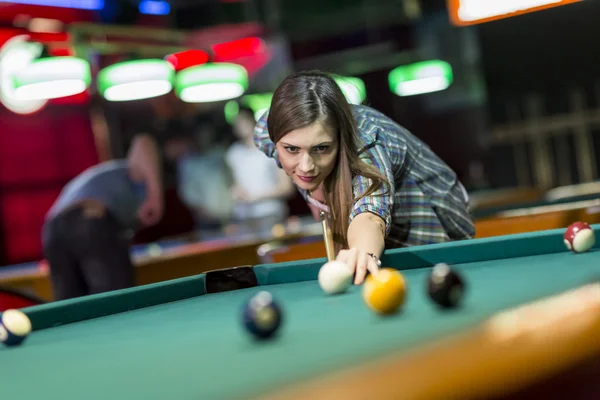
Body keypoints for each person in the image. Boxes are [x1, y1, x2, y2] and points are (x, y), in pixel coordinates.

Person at [254, 70, 475, 285]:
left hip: (429, 225)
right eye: (292, 149)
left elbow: (369, 214)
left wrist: (362, 251)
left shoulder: (366, 145)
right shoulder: (266, 129)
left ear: (340, 139)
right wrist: (314, 190)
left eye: (321, 148)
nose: (306, 166)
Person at [42, 133, 164, 300]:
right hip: (90, 216)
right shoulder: (134, 175)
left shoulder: (110, 186)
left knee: (69, 305)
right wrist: (155, 195)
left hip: (52, 230)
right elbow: (143, 141)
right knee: (116, 299)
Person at [225, 105, 294, 232]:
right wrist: (235, 192)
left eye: (243, 120)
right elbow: (233, 184)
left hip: (271, 214)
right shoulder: (232, 153)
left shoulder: (271, 148)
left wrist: (256, 197)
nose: (240, 125)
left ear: (253, 120)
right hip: (244, 216)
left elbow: (286, 188)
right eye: (237, 122)